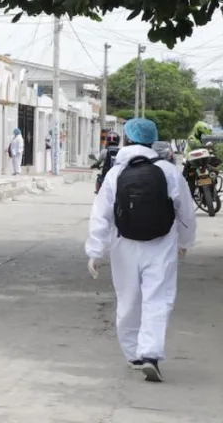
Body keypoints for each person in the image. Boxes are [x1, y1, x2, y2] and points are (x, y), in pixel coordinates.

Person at [86, 118, 195, 383]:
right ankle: (151, 355)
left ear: (125, 140)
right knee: (157, 299)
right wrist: (184, 243)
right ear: (152, 140)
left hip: (124, 245)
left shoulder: (116, 173)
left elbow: (101, 215)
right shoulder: (169, 171)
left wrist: (95, 251)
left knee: (128, 300)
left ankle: (133, 354)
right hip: (162, 244)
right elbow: (186, 212)